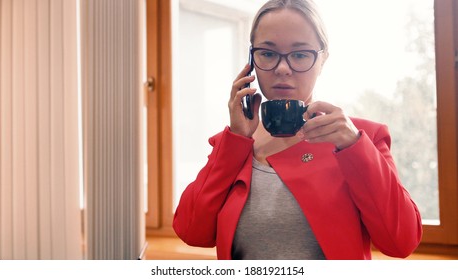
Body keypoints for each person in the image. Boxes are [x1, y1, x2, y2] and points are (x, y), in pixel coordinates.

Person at [173, 0, 422, 260]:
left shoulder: (360, 139)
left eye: (300, 54)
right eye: (268, 54)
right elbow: (191, 231)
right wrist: (235, 140)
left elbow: (401, 242)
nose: (282, 68)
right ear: (251, 61)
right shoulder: (235, 143)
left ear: (322, 59)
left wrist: (354, 147)